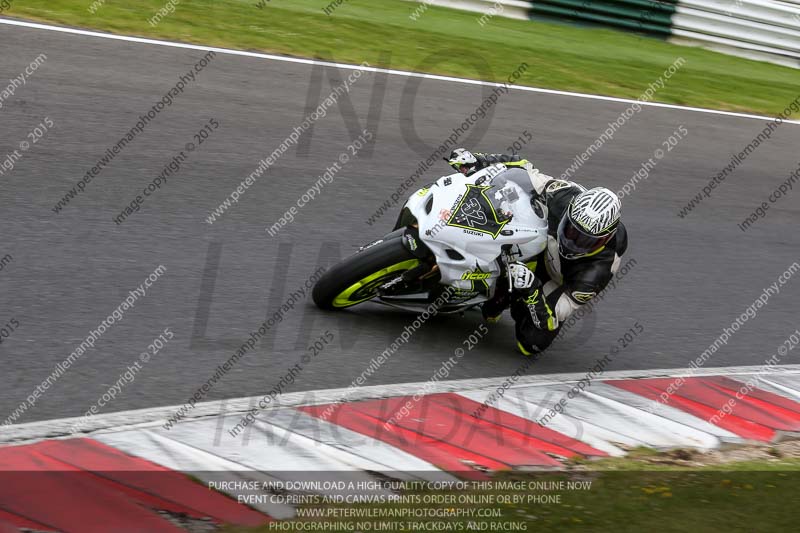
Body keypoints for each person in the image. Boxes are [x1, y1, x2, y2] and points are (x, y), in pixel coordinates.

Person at [479, 164, 628, 356]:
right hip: (543, 246)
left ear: (604, 239)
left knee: (531, 342)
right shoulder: (565, 195)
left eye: (584, 240)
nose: (572, 241)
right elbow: (523, 172)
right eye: (572, 229)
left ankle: (511, 294)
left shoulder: (598, 271)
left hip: (557, 281)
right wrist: (481, 161)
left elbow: (550, 318)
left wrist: (531, 290)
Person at [446, 148, 528, 176]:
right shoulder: (468, 177)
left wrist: (526, 167)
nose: (460, 171)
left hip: (521, 173)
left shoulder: (486, 162)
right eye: (457, 168)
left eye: (461, 167)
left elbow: (520, 162)